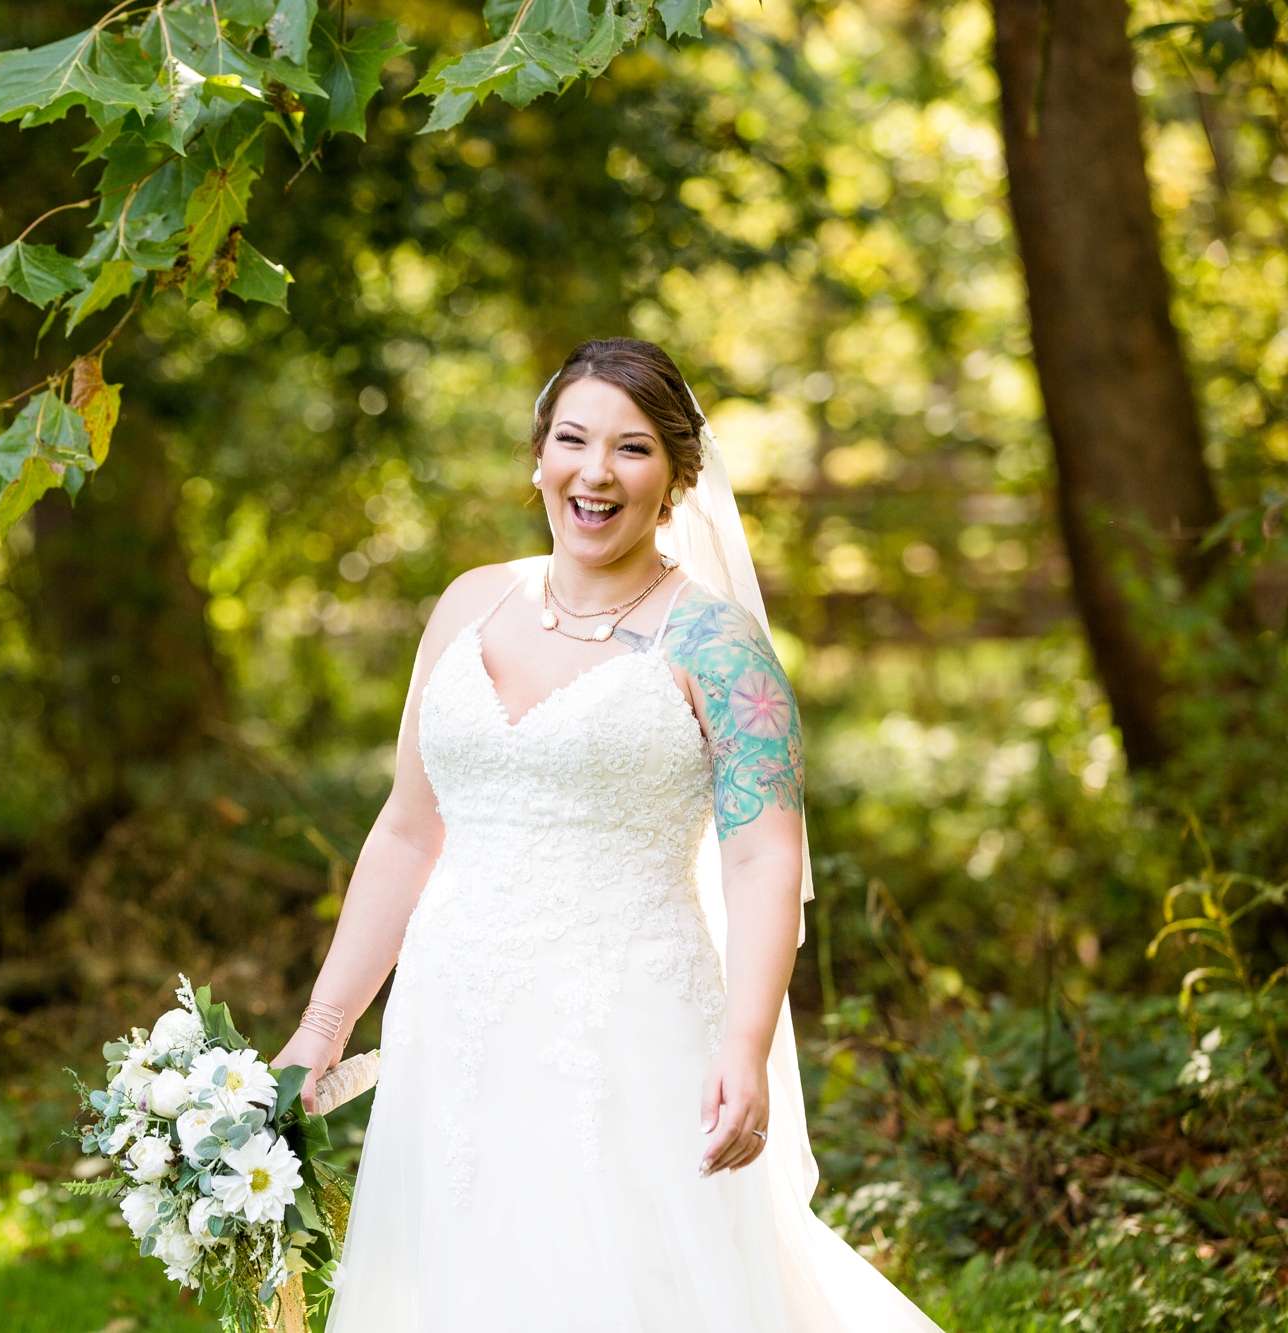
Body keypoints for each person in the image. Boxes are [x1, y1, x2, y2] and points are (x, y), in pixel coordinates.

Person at [271, 338, 945, 1330]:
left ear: (674, 476)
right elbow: (409, 832)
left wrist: (745, 1041)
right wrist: (321, 1031)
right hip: (450, 1025)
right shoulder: (468, 603)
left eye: (629, 449)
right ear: (537, 456)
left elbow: (762, 855)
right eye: (572, 439)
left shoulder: (716, 644)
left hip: (625, 1029)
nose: (595, 471)